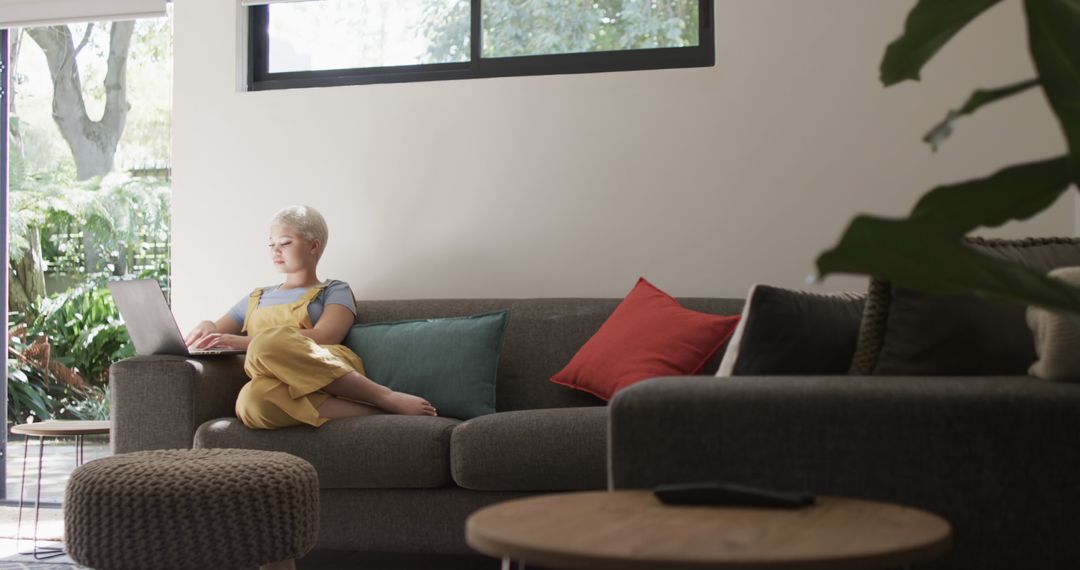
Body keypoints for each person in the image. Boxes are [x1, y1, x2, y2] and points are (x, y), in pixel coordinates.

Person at [184, 205, 437, 429]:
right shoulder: (256, 296)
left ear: (313, 245)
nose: (275, 250)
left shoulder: (335, 290)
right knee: (251, 403)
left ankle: (385, 396)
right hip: (274, 381)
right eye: (271, 244)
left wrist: (243, 343)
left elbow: (326, 336)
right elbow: (216, 334)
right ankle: (379, 411)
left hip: (325, 366)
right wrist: (207, 325)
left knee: (266, 345)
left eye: (284, 243)